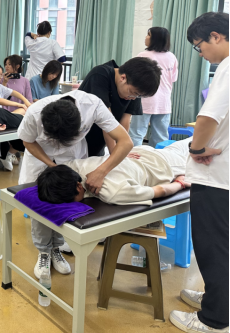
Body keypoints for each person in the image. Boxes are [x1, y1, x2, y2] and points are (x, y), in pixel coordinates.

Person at [18, 90, 133, 279]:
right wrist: (52, 166)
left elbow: (125, 142)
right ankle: (44, 252)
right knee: (41, 203)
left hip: (73, 157)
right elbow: (27, 141)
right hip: (40, 158)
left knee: (68, 200)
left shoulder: (93, 105)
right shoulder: (34, 113)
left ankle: (57, 248)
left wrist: (101, 171)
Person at [169, 12, 229, 333]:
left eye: (199, 46)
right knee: (222, 243)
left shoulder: (227, 68)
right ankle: (217, 299)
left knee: (212, 246)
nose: (201, 53)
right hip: (225, 175)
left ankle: (214, 320)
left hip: (216, 176)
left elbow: (207, 119)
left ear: (216, 37)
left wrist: (195, 149)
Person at [37, 138, 191, 205]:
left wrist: (180, 183)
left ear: (78, 187)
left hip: (165, 166)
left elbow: (161, 190)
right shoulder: (70, 167)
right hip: (139, 153)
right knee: (188, 143)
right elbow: (54, 171)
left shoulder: (111, 192)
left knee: (196, 147)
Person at [79, 57, 161, 157]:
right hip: (77, 138)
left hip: (98, 144)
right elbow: (106, 120)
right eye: (133, 93)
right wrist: (115, 153)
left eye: (138, 96)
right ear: (123, 78)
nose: (133, 98)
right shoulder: (100, 75)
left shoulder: (134, 89)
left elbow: (125, 121)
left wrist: (121, 149)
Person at [128, 27, 178, 148]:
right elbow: (173, 79)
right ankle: (159, 158)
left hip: (144, 100)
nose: (146, 37)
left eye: (148, 35)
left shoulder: (143, 55)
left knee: (136, 134)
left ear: (155, 38)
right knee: (161, 136)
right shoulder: (171, 57)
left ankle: (133, 157)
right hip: (164, 102)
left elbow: (133, 77)